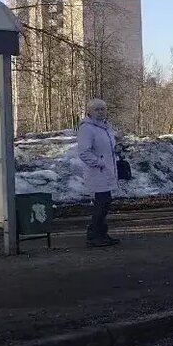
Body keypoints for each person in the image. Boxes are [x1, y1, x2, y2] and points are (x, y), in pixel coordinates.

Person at [76, 99, 120, 248]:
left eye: (103, 109)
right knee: (101, 204)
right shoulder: (87, 129)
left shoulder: (105, 127)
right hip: (97, 172)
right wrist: (99, 162)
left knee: (105, 203)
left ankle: (101, 234)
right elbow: (84, 152)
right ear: (89, 111)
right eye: (97, 109)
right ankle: (94, 235)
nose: (100, 112)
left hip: (107, 171)